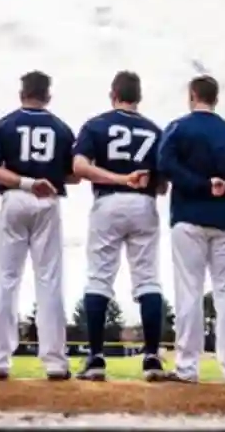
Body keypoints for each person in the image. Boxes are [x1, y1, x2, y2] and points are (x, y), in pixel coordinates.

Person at [72, 71, 168, 382]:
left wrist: (117, 178)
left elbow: (79, 167)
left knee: (99, 278)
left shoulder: (96, 124)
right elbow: (163, 186)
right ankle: (152, 356)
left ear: (113, 93)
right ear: (138, 96)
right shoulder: (155, 130)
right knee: (148, 279)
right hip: (144, 203)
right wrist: (138, 180)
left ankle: (96, 357)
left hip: (108, 201)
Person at [159, 75, 225, 384]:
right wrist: (224, 182)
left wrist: (200, 184)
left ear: (192, 95)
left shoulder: (179, 127)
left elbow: (164, 164)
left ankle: (187, 368)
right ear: (216, 98)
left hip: (188, 216)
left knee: (189, 291)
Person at [0, 70, 77, 381]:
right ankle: (54, 361)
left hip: (15, 196)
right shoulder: (61, 128)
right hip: (48, 200)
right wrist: (46, 175)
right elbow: (74, 173)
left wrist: (25, 180)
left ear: (22, 93)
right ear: (48, 95)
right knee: (49, 281)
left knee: (6, 280)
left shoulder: (4, 124)